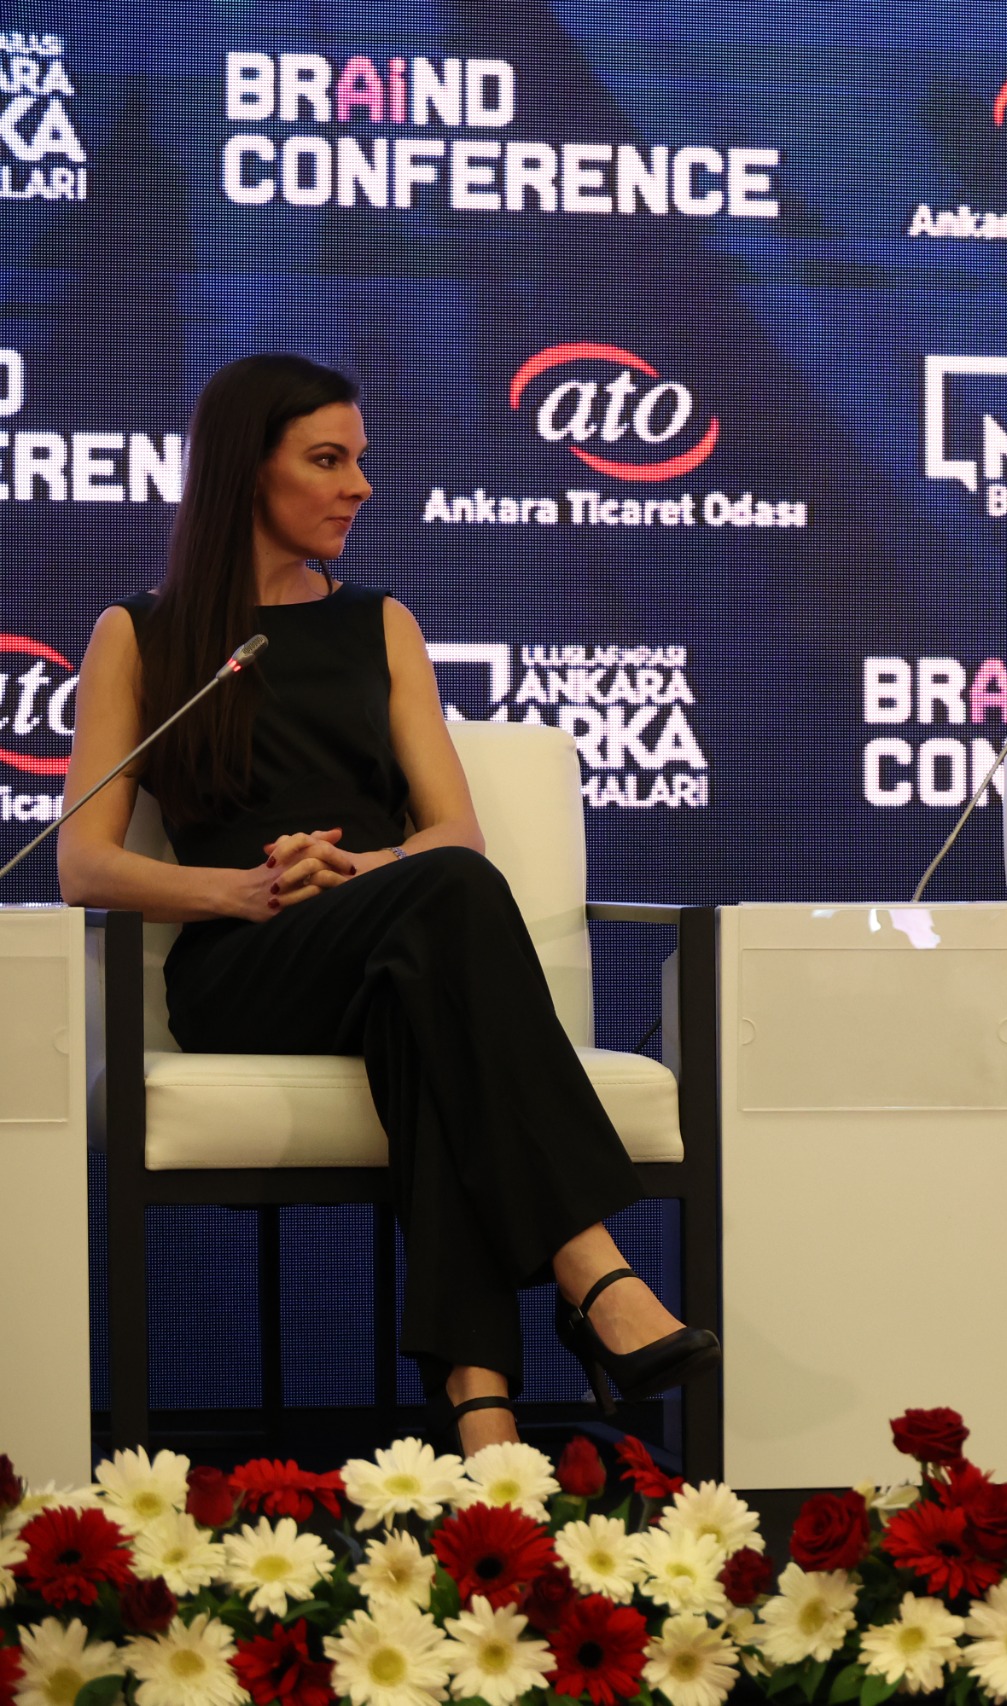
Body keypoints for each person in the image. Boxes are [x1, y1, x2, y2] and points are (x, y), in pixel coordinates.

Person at [56, 354, 718, 1455]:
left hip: (386, 939)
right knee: (444, 911)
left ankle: (480, 1402)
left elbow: (453, 830)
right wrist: (249, 888)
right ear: (246, 471)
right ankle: (592, 1267)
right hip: (246, 966)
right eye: (328, 460)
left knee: (431, 970)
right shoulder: (141, 633)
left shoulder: (382, 622)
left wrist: (354, 870)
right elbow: (83, 863)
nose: (360, 485)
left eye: (360, 459)